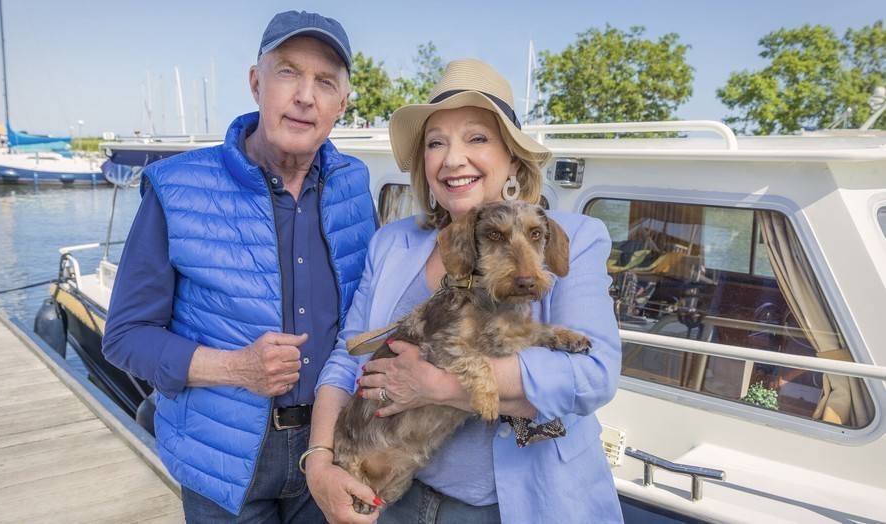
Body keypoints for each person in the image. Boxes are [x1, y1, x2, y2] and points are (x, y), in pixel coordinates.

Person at [304, 58, 624, 523]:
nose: (453, 159)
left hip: (519, 505)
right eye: (437, 143)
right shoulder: (392, 242)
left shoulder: (567, 235)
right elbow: (345, 356)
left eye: (476, 138)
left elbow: (594, 373)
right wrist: (319, 460)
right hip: (395, 498)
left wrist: (438, 385)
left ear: (512, 159)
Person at [102, 10, 377, 522]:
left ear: (341, 104)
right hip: (223, 463)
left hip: (334, 445)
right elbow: (124, 336)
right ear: (256, 82)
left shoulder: (355, 185)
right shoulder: (176, 188)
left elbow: (369, 313)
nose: (305, 95)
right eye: (289, 71)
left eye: (325, 82)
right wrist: (235, 368)